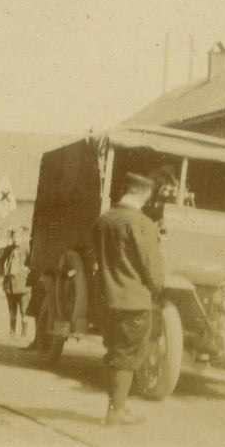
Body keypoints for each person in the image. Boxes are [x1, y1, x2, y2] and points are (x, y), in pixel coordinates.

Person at [93, 172, 165, 426]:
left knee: (113, 353)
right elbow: (152, 268)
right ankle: (116, 412)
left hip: (106, 300)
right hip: (134, 302)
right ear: (145, 193)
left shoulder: (104, 220)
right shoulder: (142, 223)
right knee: (128, 356)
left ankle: (115, 406)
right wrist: (157, 288)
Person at [0, 229, 30, 338]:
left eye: (17, 237)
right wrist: (2, 273)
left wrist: (27, 271)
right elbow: (0, 261)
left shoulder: (27, 248)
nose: (15, 239)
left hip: (23, 285)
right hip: (9, 285)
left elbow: (32, 263)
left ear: (22, 236)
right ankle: (11, 332)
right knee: (12, 311)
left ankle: (23, 334)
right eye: (13, 237)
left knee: (24, 311)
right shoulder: (8, 249)